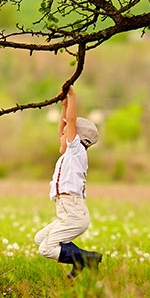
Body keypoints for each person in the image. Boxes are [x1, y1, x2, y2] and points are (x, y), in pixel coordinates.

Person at [33, 86, 102, 278]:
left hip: (73, 213)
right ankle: (80, 260)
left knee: (46, 249)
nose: (61, 136)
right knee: (40, 239)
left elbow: (70, 122)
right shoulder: (71, 154)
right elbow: (65, 124)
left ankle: (87, 259)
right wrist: (63, 106)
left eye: (65, 134)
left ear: (76, 137)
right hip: (67, 212)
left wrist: (72, 96)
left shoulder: (76, 150)